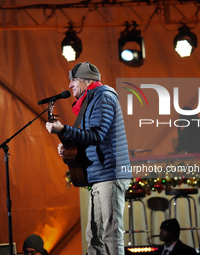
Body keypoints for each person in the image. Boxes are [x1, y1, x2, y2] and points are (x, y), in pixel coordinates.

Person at [45, 61, 132, 255]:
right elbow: (90, 138)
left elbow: (97, 135)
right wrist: (69, 146)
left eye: (73, 80)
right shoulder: (90, 100)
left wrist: (63, 129)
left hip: (110, 173)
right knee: (93, 235)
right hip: (98, 175)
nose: (70, 85)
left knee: (110, 234)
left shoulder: (103, 97)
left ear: (86, 81)